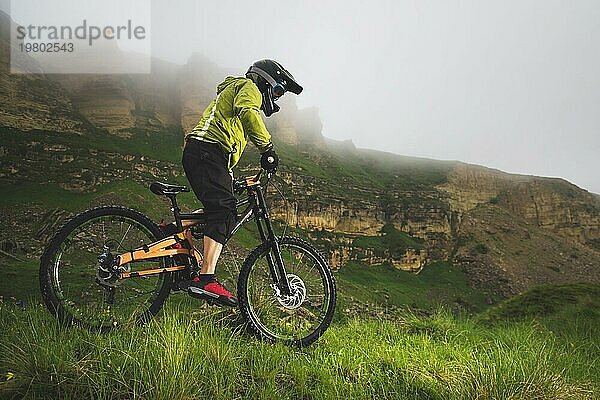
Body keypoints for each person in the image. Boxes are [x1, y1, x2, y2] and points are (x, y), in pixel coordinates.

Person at [164, 59, 303, 307]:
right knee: (225, 211)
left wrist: (234, 182)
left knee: (218, 207)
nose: (277, 99)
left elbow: (229, 138)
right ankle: (206, 278)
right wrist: (267, 149)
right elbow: (248, 113)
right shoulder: (248, 87)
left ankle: (172, 230)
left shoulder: (236, 96)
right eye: (278, 91)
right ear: (266, 80)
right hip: (207, 151)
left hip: (205, 153)